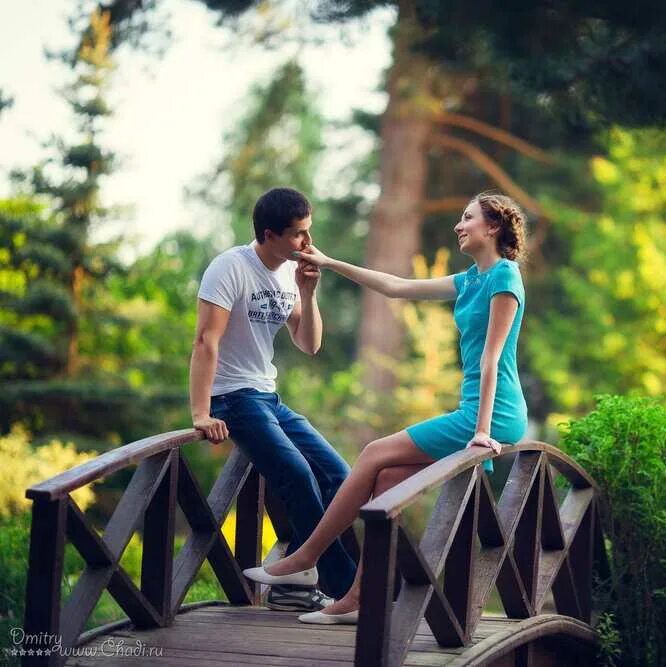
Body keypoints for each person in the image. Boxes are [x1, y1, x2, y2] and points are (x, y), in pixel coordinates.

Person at [243, 191, 529, 624]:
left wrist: (481, 431)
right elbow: (395, 287)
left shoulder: (505, 277)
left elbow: (492, 358)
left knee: (375, 451)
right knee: (389, 478)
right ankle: (358, 599)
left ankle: (307, 555)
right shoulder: (471, 279)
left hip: (493, 415)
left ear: (492, 227)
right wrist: (330, 262)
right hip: (474, 412)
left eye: (467, 217)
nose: (458, 225)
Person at [190, 187, 357, 611]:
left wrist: (308, 292)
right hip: (234, 399)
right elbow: (206, 341)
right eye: (299, 235)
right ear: (270, 234)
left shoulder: (288, 271)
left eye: (308, 232)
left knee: (339, 475)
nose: (308, 243)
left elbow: (309, 344)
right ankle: (349, 591)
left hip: (269, 396)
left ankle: (294, 581)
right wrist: (201, 412)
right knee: (298, 476)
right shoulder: (230, 268)